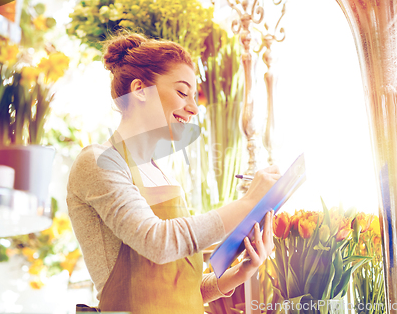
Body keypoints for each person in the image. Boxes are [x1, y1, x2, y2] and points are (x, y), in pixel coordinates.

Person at [66, 32, 281, 313]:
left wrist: (238, 274)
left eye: (193, 96)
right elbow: (157, 242)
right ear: (140, 89)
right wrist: (248, 203)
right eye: (182, 93)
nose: (193, 108)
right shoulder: (99, 161)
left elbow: (179, 288)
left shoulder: (161, 174)